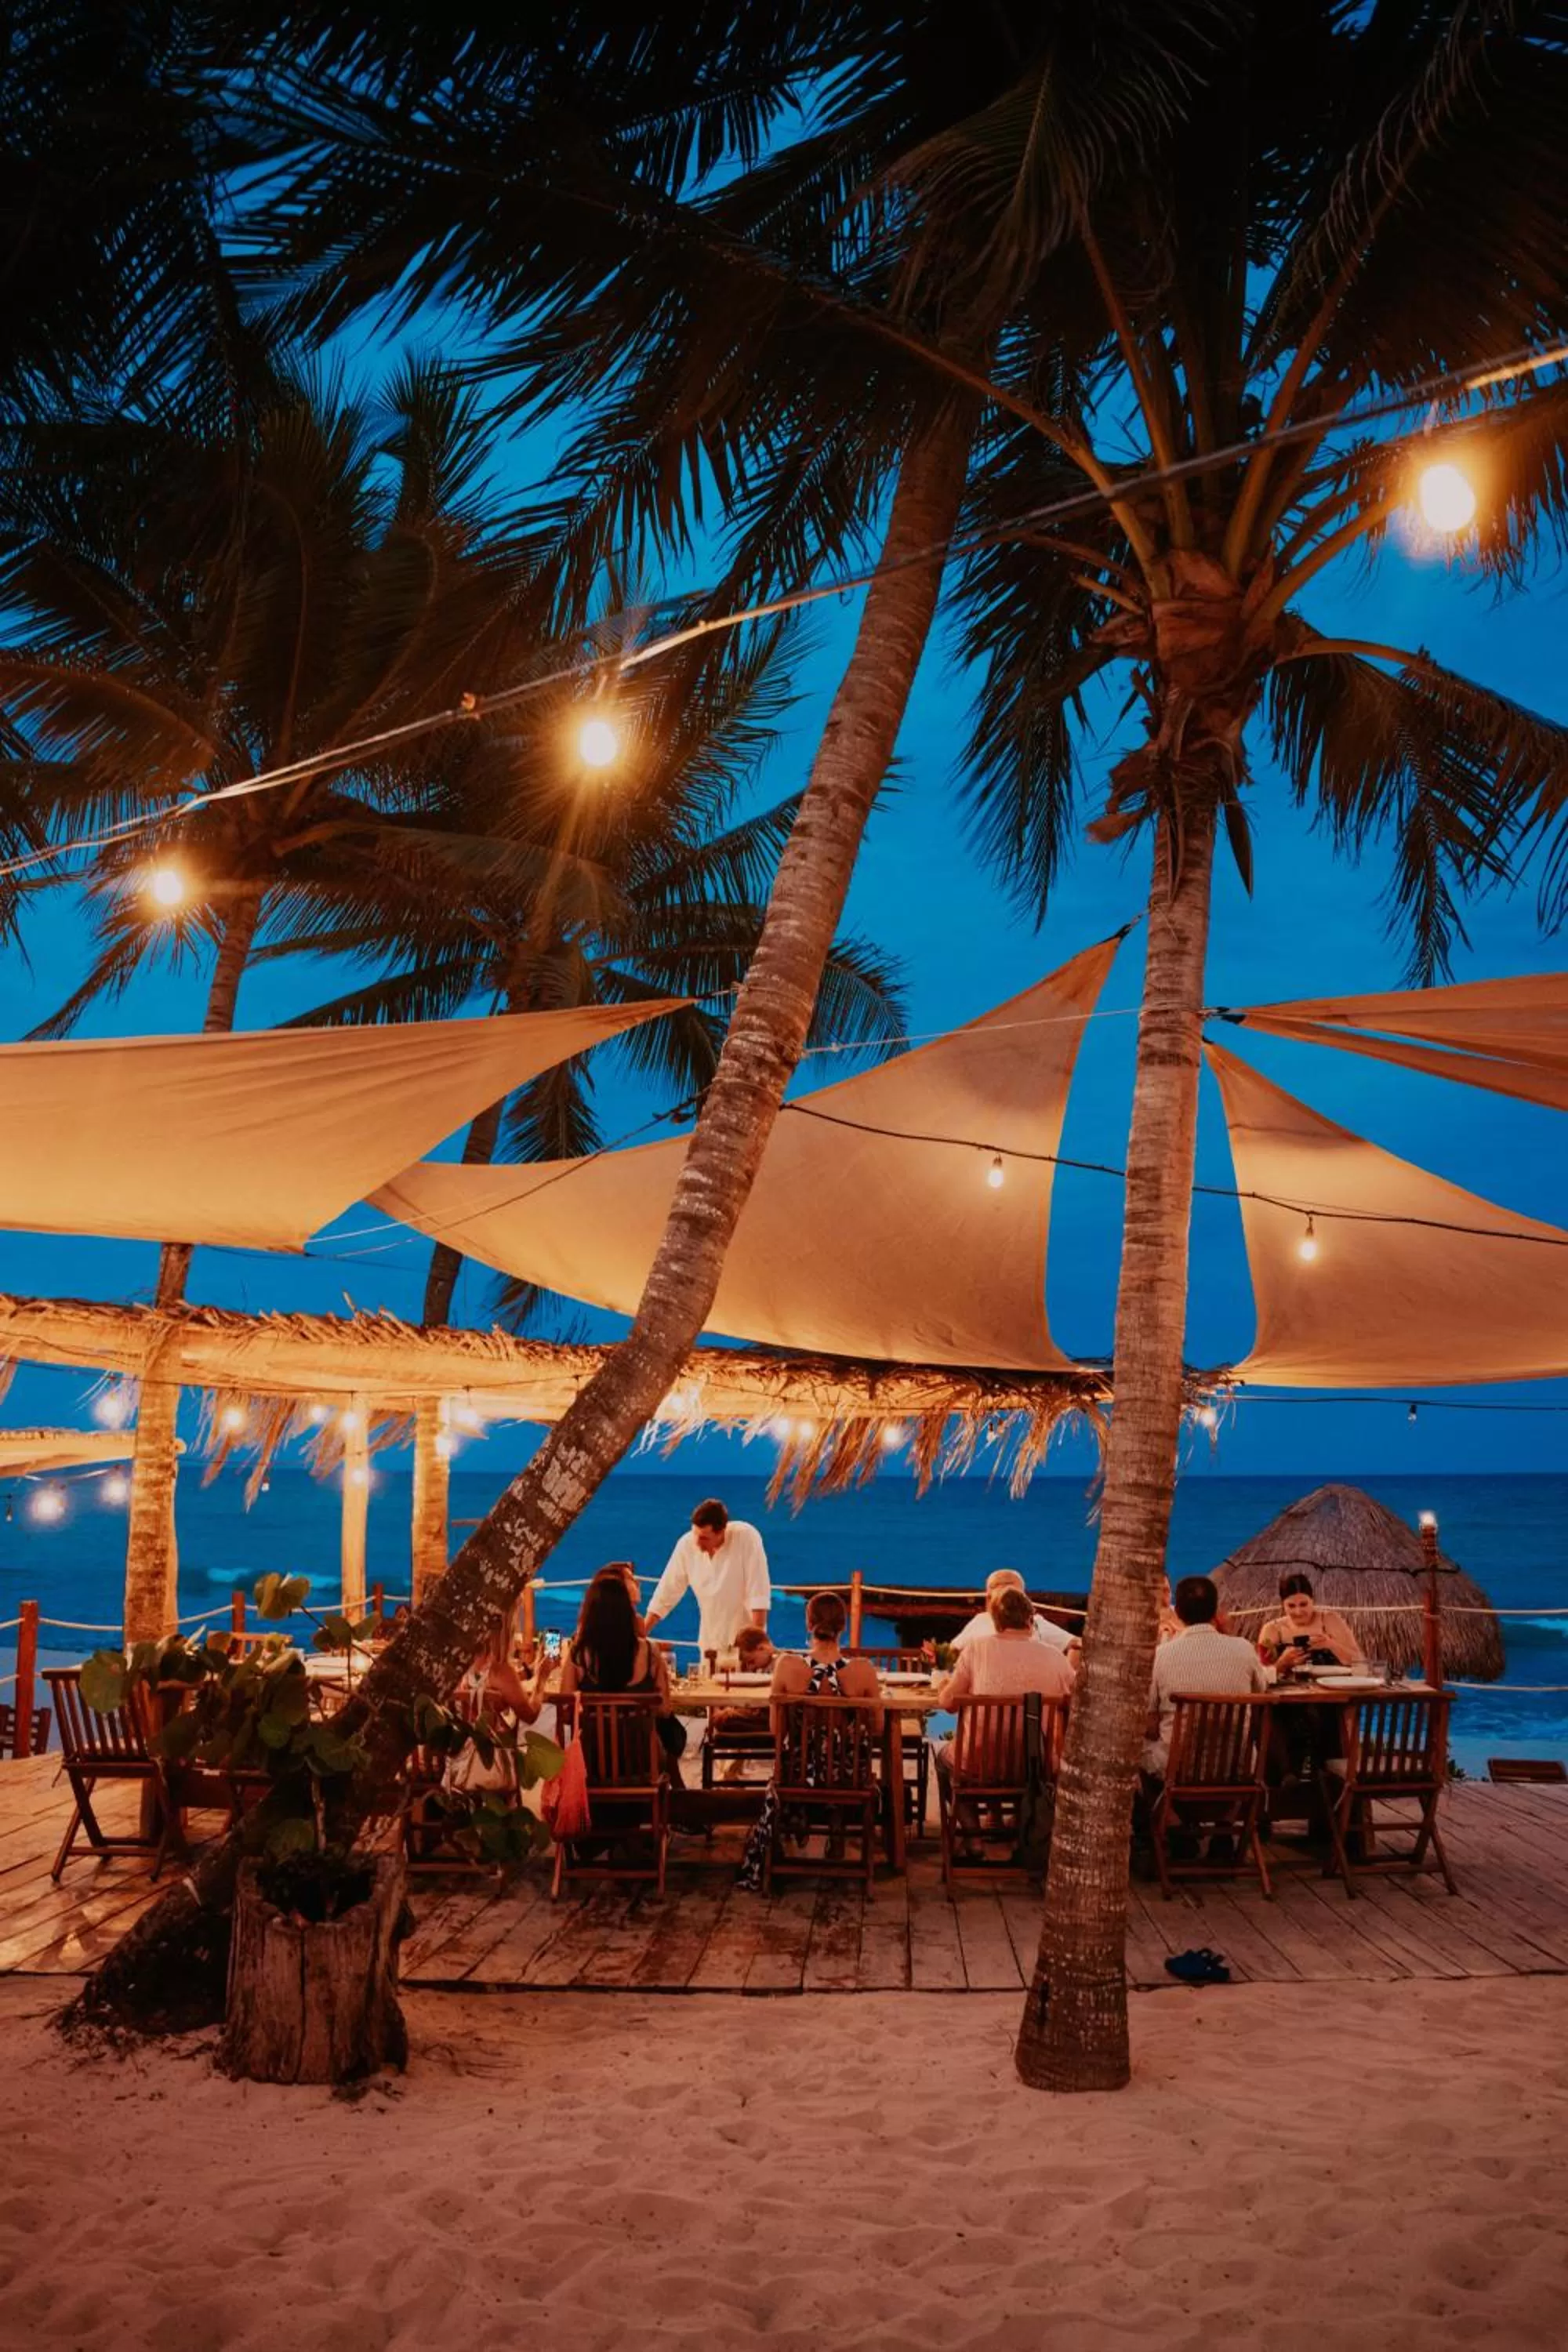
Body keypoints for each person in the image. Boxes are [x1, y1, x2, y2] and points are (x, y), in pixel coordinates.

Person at [736, 1592, 882, 1890]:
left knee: (804, 1758)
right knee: (844, 1757)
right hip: (847, 1775)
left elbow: (777, 1731)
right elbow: (877, 1728)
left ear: (809, 1625)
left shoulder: (788, 1666)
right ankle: (837, 1822)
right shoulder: (864, 1671)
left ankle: (799, 1813)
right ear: (843, 1626)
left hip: (801, 1773)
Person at [934, 1584, 1076, 1842]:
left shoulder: (976, 1650)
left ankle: (973, 1834)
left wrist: (946, 1686)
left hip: (978, 1765)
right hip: (1038, 1766)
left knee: (941, 1757)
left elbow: (948, 1703)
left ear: (996, 1621)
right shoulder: (1056, 1658)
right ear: (1031, 1620)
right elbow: (1075, 1702)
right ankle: (1022, 1828)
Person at [1142, 1574, 1268, 1782]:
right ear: (1214, 1610)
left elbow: (1150, 1721)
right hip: (1237, 1766)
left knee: (1136, 1747)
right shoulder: (1244, 1649)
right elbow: (1261, 1691)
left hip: (1178, 1769)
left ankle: (1160, 1812)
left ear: (1179, 1612)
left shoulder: (1161, 1656)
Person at [644, 1497, 770, 1658]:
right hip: (709, 1645)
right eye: (695, 1534)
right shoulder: (687, 1544)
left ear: (722, 1531)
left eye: (704, 1538)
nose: (697, 1543)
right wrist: (642, 1633)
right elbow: (667, 1590)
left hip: (745, 1648)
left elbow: (758, 1592)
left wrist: (756, 1646)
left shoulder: (746, 1538)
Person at [949, 1567, 1074, 1655]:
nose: (1002, 1589)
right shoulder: (980, 1621)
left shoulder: (1039, 1625)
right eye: (996, 1586)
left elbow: (1077, 1644)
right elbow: (953, 1649)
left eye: (1008, 1586)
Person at [1258, 1573, 1363, 1670]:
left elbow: (1359, 1661)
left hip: (1332, 1687)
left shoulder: (1329, 1620)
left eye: (1303, 1604)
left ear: (1312, 1601)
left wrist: (1331, 1644)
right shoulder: (1272, 1629)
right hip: (1287, 1689)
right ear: (1283, 1605)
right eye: (1291, 1606)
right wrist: (1282, 1663)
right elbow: (1261, 1675)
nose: (1298, 1612)